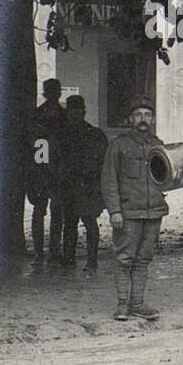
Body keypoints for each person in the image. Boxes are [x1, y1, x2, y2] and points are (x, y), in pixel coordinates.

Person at [100, 96, 168, 320]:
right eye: (138, 115)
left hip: (153, 212)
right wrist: (115, 211)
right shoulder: (118, 145)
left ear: (153, 119)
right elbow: (109, 180)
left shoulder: (158, 145)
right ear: (130, 118)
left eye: (147, 115)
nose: (143, 119)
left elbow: (166, 178)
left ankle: (137, 303)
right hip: (128, 213)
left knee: (144, 259)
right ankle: (122, 305)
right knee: (124, 259)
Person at [57, 95, 109, 271]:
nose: (75, 115)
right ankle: (69, 258)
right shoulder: (61, 135)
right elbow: (53, 159)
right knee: (69, 223)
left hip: (88, 185)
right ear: (67, 113)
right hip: (68, 185)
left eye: (79, 111)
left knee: (89, 222)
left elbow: (103, 162)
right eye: (72, 111)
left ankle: (92, 260)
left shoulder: (95, 135)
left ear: (84, 112)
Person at [24, 78, 65, 266]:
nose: (53, 95)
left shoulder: (62, 116)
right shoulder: (38, 116)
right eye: (51, 91)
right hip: (43, 170)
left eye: (55, 91)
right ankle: (40, 253)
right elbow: (35, 145)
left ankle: (51, 252)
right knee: (40, 211)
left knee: (55, 212)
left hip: (55, 170)